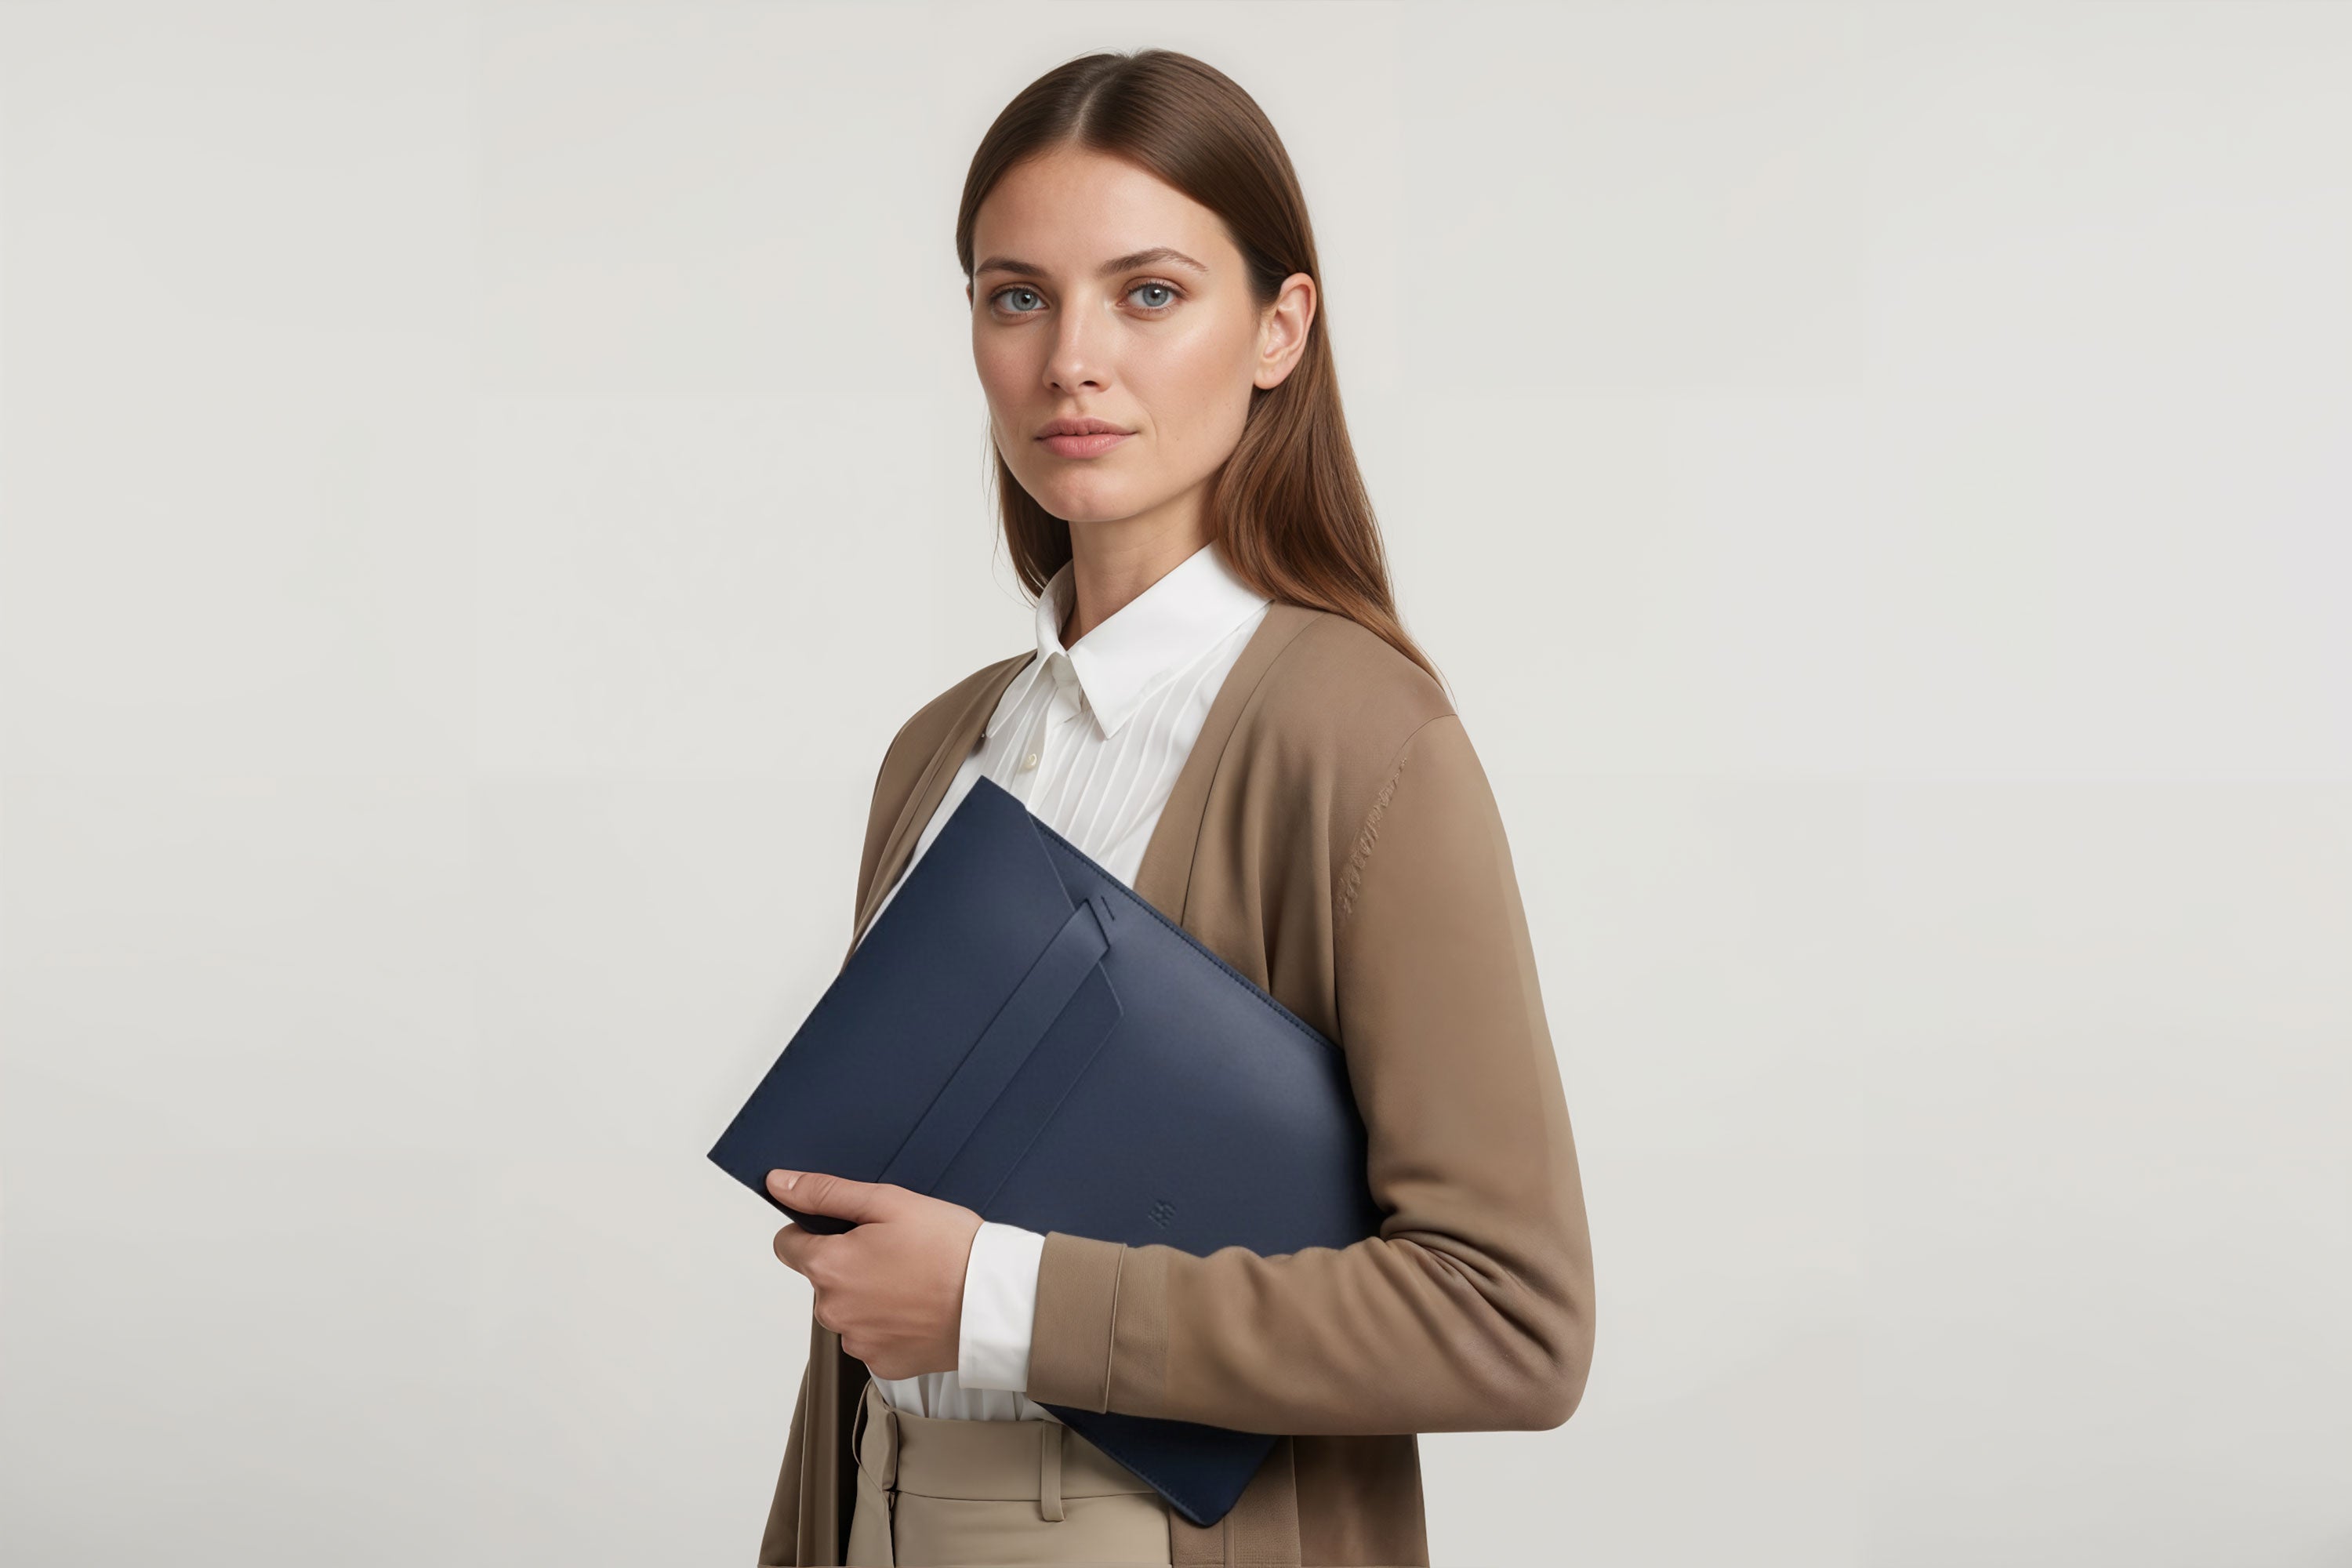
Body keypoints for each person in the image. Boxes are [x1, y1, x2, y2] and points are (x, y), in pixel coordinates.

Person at [755, 48, 1595, 1568]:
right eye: (1018, 296)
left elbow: (1511, 1316)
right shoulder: (938, 752)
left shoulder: (1362, 742)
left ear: (1280, 328)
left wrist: (998, 1299)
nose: (1073, 358)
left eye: (1149, 293)